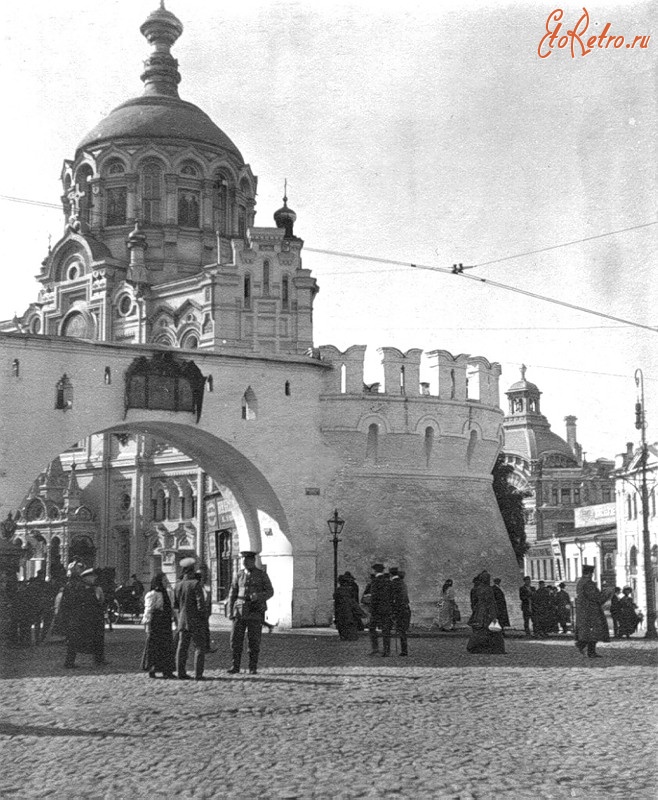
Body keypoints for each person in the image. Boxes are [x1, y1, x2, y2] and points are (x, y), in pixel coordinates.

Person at [227, 551, 274, 675]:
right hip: (239, 611)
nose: (244, 562)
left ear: (253, 561)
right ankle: (235, 666)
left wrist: (258, 596)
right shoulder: (239, 575)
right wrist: (230, 612)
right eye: (243, 560)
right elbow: (232, 593)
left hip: (255, 611)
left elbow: (270, 591)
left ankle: (252, 667)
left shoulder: (262, 575)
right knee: (236, 640)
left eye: (247, 560)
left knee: (253, 641)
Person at [59, 566, 107, 668]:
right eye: (92, 578)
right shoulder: (82, 588)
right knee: (76, 640)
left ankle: (96, 659)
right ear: (86, 578)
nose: (94, 580)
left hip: (81, 618)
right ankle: (70, 662)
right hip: (81, 618)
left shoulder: (79, 587)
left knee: (78, 640)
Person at [174, 558, 207, 680]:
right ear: (192, 571)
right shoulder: (195, 584)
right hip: (195, 621)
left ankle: (180, 672)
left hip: (182, 621)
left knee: (182, 647)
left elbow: (176, 605)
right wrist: (203, 618)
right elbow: (200, 605)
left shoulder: (178, 585)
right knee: (199, 647)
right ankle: (198, 674)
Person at [141, 572, 175, 679]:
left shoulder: (168, 593)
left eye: (166, 581)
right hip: (156, 623)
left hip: (166, 623)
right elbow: (148, 610)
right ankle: (152, 669)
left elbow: (171, 608)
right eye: (164, 581)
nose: (166, 583)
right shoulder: (152, 594)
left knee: (167, 647)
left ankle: (167, 670)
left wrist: (174, 619)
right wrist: (147, 625)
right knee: (154, 647)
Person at [574, 564, 609, 658]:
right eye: (592, 573)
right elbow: (595, 597)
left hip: (583, 611)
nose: (592, 575)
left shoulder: (580, 582)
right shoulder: (588, 584)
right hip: (591, 610)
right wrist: (606, 594)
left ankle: (586, 647)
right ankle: (587, 649)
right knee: (594, 631)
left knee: (588, 631)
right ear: (589, 573)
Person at [466, 571, 505, 654]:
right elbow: (491, 602)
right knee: (493, 629)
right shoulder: (488, 589)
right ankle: (495, 648)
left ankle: (475, 646)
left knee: (479, 630)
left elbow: (474, 602)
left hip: (479, 611)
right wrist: (494, 614)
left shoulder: (478, 589)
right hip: (487, 612)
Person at [368, 563, 393, 657]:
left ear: (374, 571)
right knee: (386, 630)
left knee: (372, 628)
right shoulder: (388, 581)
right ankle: (387, 650)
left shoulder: (375, 582)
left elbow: (374, 597)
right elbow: (391, 596)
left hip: (376, 610)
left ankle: (375, 649)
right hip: (386, 609)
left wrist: (372, 609)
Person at [333, 574, 364, 640]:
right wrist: (360, 612)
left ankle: (344, 637)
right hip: (349, 613)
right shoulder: (349, 591)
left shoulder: (338, 591)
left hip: (340, 613)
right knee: (350, 627)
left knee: (343, 627)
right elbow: (353, 603)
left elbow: (336, 605)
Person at [389, 567, 411, 656]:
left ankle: (404, 651)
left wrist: (393, 610)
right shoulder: (403, 583)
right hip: (405, 608)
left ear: (390, 574)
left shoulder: (393, 584)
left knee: (400, 630)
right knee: (403, 631)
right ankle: (404, 650)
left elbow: (393, 598)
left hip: (398, 609)